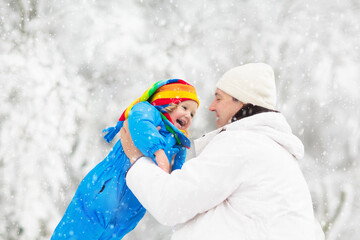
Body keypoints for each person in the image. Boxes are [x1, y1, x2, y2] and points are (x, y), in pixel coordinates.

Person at [121, 63, 324, 240]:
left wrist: (136, 159)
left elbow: (172, 202)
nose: (211, 106)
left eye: (219, 98)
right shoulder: (278, 156)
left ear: (241, 101)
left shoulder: (243, 144)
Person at [51, 79, 199, 240]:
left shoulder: (180, 144)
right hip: (107, 185)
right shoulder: (148, 111)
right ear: (167, 102)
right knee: (78, 230)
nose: (188, 115)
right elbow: (139, 123)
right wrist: (158, 151)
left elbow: (175, 177)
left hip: (132, 205)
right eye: (184, 107)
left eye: (192, 114)